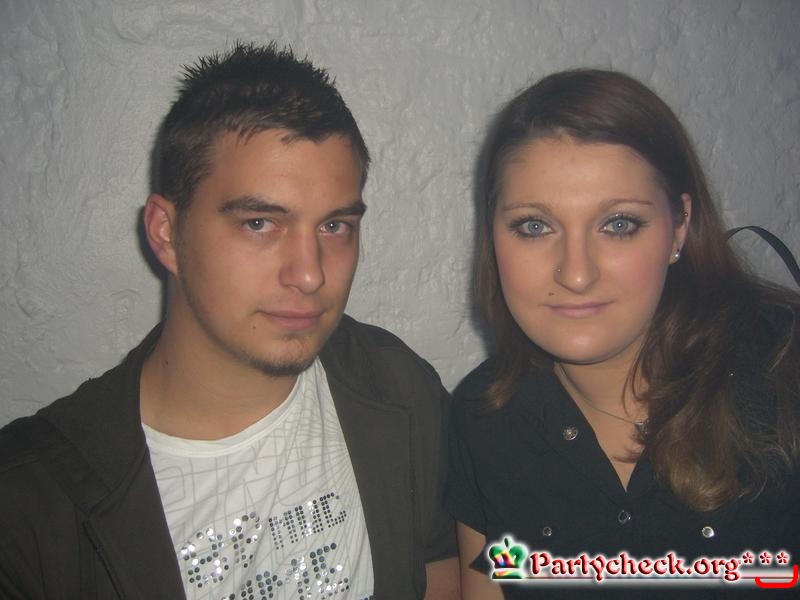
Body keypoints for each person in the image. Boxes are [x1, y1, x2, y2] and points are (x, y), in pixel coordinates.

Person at [0, 42, 458, 600]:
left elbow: (441, 565)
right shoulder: (28, 510)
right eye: (259, 223)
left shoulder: (401, 388)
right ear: (167, 233)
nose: (310, 274)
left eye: (334, 226)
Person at [446, 69, 800, 599]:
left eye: (618, 224)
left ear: (680, 225)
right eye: (535, 226)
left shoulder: (784, 379)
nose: (576, 273)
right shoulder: (485, 418)